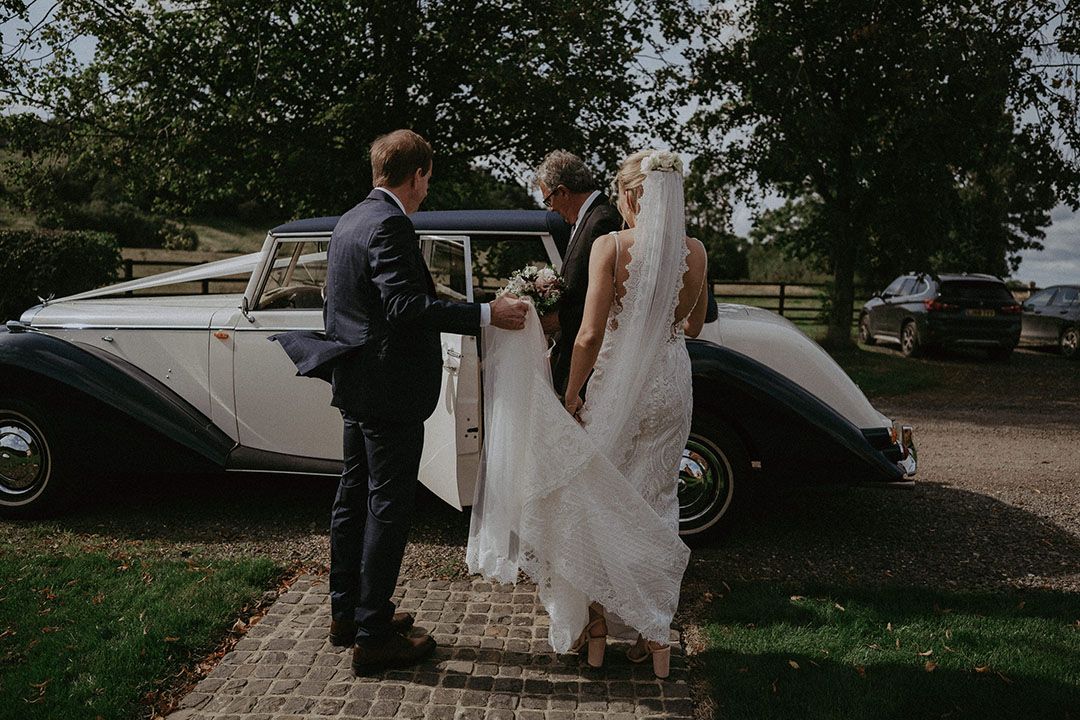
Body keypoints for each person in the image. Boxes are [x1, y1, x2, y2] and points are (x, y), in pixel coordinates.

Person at [274, 129, 529, 674]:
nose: (426, 190)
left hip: (358, 383)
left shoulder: (350, 219)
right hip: (388, 389)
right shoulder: (390, 223)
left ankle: (349, 613)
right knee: (387, 507)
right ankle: (373, 637)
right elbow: (406, 306)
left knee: (353, 497)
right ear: (416, 175)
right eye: (427, 179)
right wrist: (486, 314)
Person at [467, 148, 709, 678]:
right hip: (670, 385)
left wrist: (572, 394)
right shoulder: (695, 250)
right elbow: (692, 328)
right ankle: (655, 635)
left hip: (617, 383)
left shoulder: (612, 246)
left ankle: (597, 632)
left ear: (628, 195)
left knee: (598, 499)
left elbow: (591, 334)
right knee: (656, 502)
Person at [535, 150, 623, 398]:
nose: (551, 210)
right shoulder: (585, 220)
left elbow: (596, 300)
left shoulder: (602, 221)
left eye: (548, 200)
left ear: (563, 191)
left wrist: (553, 319)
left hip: (588, 363)